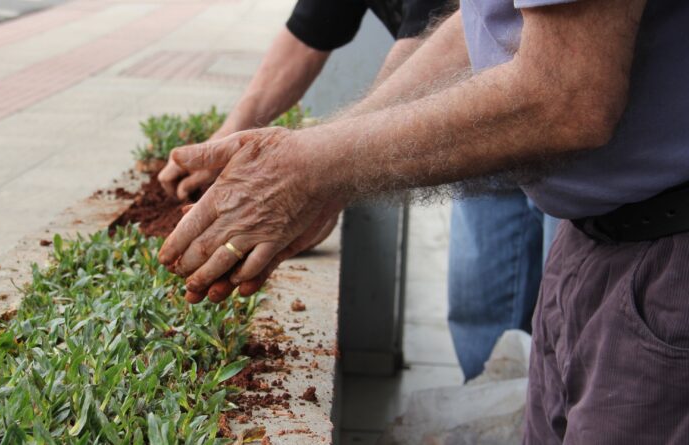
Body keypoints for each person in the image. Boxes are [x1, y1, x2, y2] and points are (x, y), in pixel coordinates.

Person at [158, 0, 689, 441]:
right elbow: (482, 26)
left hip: (665, 253)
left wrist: (314, 168)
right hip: (593, 237)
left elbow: (567, 94)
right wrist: (323, 171)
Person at [159, 0, 552, 381]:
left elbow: (433, 43)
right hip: (498, 141)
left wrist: (325, 171)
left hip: (575, 166)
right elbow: (307, 35)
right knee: (483, 312)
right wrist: (230, 136)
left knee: (555, 329)